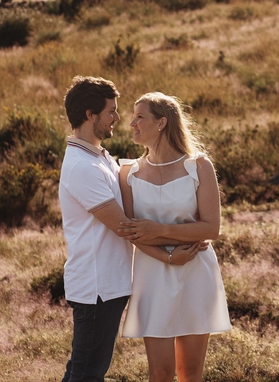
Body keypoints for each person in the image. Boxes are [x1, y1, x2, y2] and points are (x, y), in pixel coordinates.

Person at [117, 92, 231, 382]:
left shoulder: (199, 166)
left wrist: (160, 230)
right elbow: (133, 232)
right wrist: (168, 254)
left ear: (162, 122)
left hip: (195, 271)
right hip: (152, 273)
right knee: (161, 373)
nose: (131, 123)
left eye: (140, 116)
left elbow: (211, 228)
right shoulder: (127, 172)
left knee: (190, 373)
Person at [57, 75, 133, 382]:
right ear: (91, 115)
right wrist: (174, 249)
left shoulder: (100, 157)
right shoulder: (82, 166)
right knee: (88, 373)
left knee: (82, 369)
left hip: (109, 283)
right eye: (111, 111)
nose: (116, 117)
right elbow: (124, 226)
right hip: (97, 287)